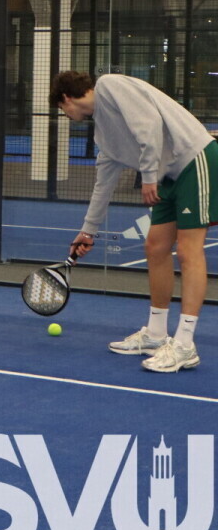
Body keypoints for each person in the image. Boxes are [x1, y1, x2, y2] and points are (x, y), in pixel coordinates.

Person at [50, 70, 215, 372]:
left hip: (195, 159)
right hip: (169, 176)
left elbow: (149, 125)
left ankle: (185, 345)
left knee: (189, 251)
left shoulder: (110, 85)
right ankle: (156, 334)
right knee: (155, 247)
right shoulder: (103, 135)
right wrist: (88, 231)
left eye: (62, 110)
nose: (66, 115)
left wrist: (148, 177)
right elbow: (103, 184)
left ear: (66, 99)